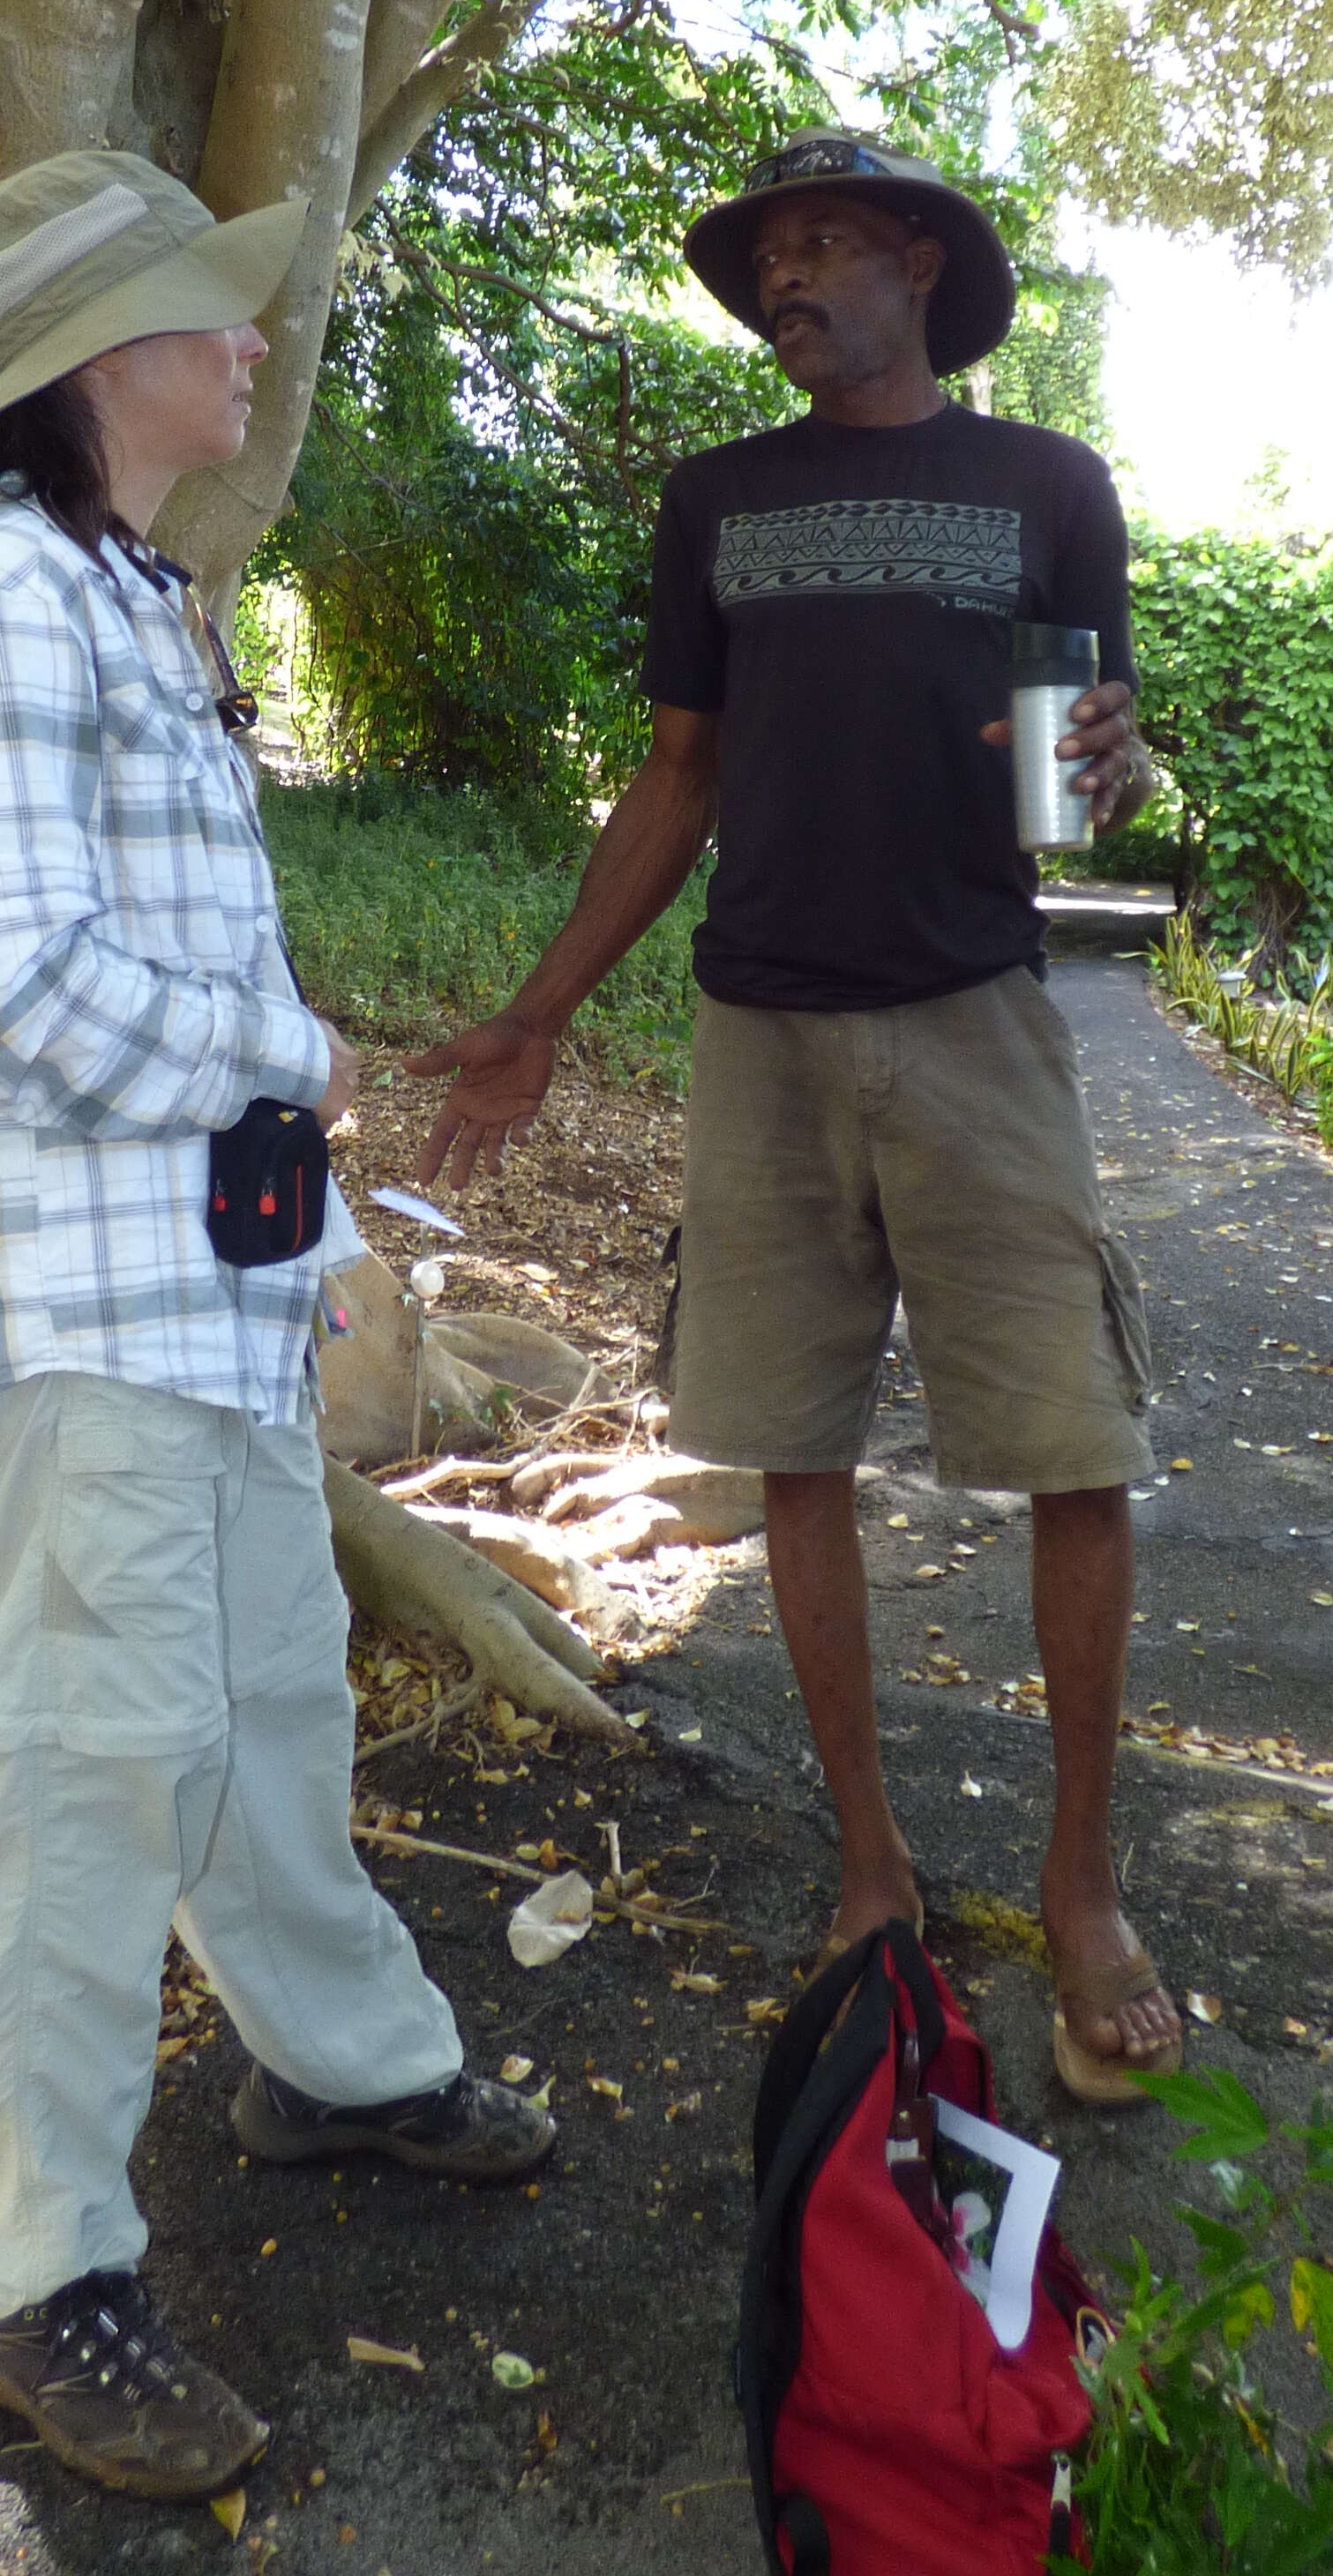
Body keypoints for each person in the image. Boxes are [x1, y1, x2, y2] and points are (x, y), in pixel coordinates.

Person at [0, 146, 554, 2503]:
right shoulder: (2, 608)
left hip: (200, 1294)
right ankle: (29, 2282)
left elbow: (166, 962)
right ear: (91, 360)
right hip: (75, 1310)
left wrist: (308, 1190)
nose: (252, 339)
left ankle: (336, 2064)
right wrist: (290, 1069)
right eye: (208, 308)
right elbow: (7, 982)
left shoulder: (133, 596)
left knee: (261, 1693)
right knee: (72, 1768)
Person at [417, 132, 1181, 2103]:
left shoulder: (1048, 489)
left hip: (978, 1024)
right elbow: (681, 776)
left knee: (1070, 1449)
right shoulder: (719, 501)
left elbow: (1063, 799)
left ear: (920, 265)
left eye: (823, 243)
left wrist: (1119, 766)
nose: (787, 279)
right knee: (793, 1455)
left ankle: (1082, 1888)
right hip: (761, 1039)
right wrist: (539, 1013)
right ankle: (870, 1864)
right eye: (766, 254)